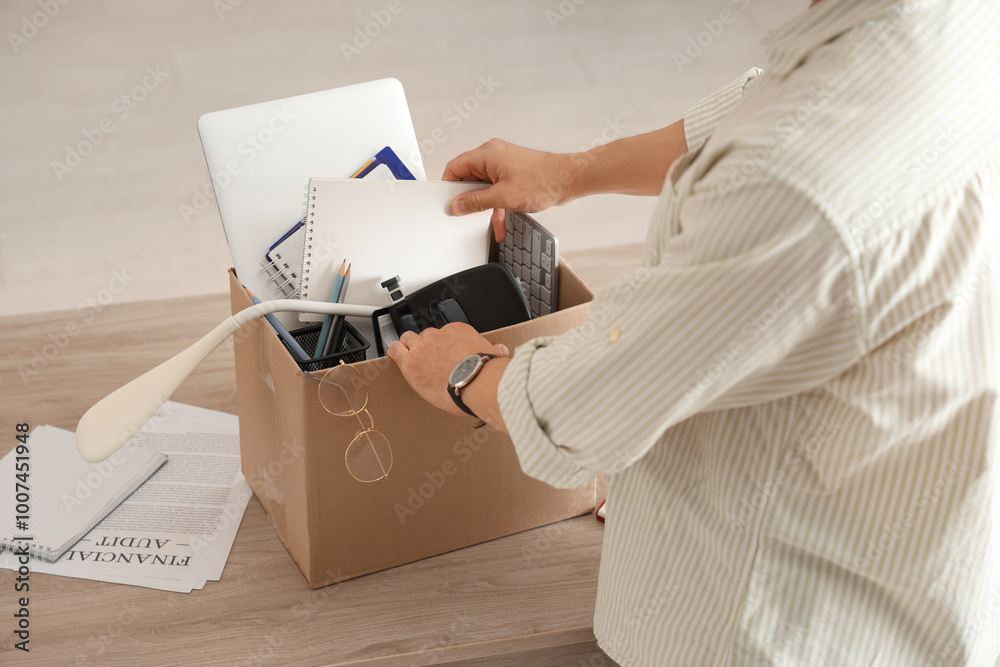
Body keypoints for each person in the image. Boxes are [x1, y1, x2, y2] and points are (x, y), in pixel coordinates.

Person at [388, 0, 1000, 664]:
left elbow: (582, 411)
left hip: (765, 626)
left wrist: (465, 370)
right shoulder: (950, 21)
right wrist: (570, 172)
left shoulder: (794, 185)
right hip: (915, 567)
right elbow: (761, 101)